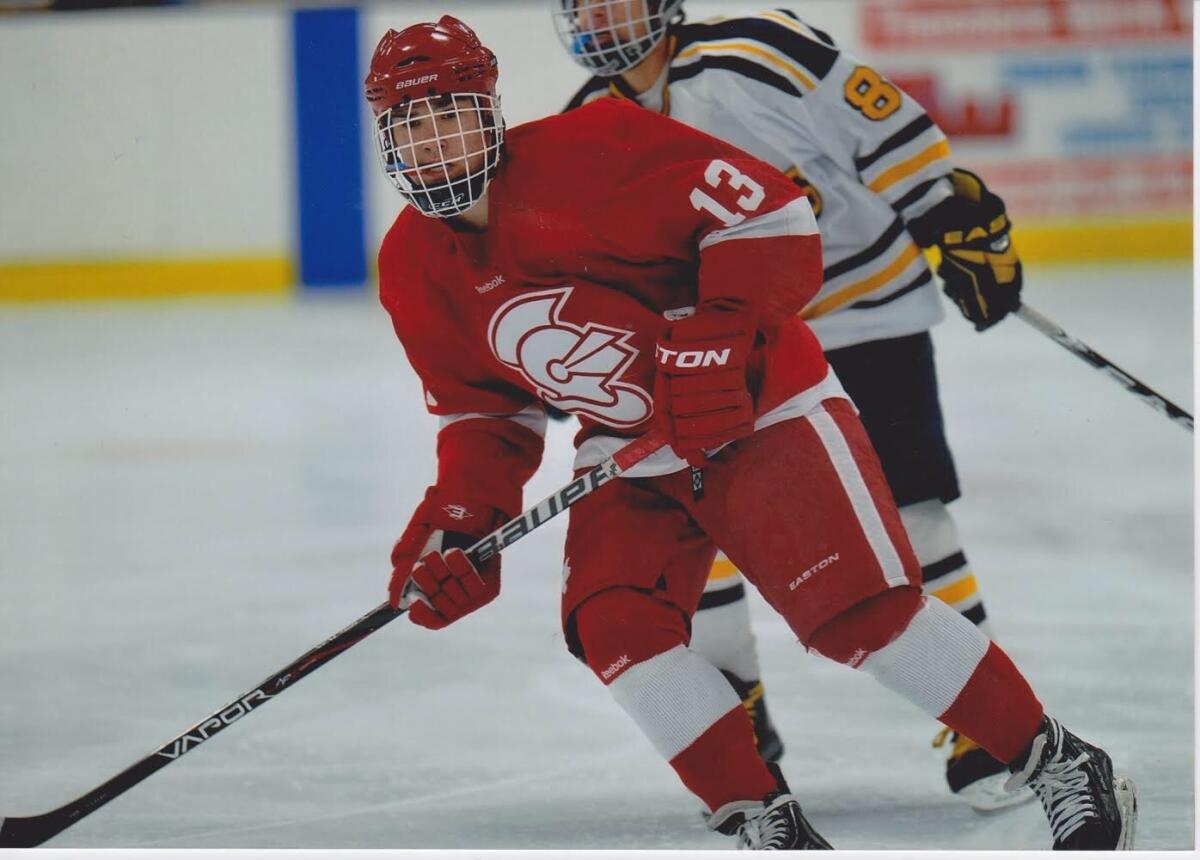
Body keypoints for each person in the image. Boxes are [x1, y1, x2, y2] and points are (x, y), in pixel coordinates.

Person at [366, 15, 1136, 850]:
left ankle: (1061, 762)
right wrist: (462, 523)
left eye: (450, 113)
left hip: (762, 405)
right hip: (631, 441)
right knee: (613, 623)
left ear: (489, 112)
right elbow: (486, 412)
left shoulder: (594, 150)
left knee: (860, 618)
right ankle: (762, 818)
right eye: (411, 124)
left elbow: (771, 214)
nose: (434, 140)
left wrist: (718, 334)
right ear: (387, 142)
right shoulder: (410, 265)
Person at [552, 0, 1026, 809]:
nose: (601, 17)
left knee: (909, 513)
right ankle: (738, 717)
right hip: (734, 350)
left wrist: (946, 206)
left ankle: (984, 721)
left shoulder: (751, 50)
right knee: (704, 530)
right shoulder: (588, 129)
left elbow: (876, 114)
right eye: (583, 4)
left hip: (862, 308)